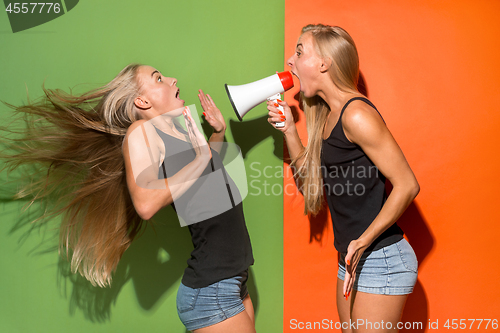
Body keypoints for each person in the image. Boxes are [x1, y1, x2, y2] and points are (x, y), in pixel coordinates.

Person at [1, 64, 255, 333]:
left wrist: (217, 133)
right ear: (141, 101)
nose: (172, 79)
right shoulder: (141, 132)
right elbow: (145, 204)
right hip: (212, 290)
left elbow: (206, 182)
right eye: (158, 78)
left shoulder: (179, 130)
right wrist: (202, 155)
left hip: (234, 279)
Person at [267, 24, 419, 332]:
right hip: (350, 257)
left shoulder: (356, 114)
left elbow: (407, 185)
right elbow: (312, 180)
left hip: (381, 258)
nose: (290, 61)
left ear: (323, 63)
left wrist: (363, 241)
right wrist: (289, 131)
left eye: (299, 51)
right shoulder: (328, 116)